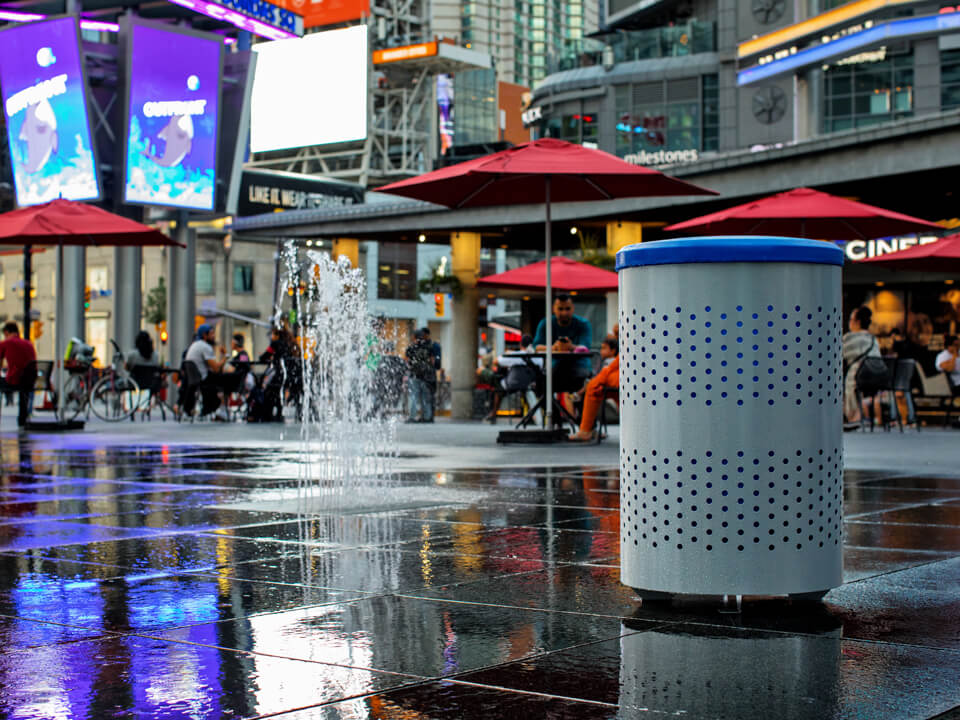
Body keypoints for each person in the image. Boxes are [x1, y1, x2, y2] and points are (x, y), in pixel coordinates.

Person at [533, 293, 593, 393]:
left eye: (567, 309)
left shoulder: (583, 324)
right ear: (554, 309)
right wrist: (553, 347)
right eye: (560, 309)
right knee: (541, 384)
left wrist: (571, 347)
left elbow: (585, 347)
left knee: (580, 381)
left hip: (579, 367)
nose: (564, 313)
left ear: (573, 308)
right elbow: (536, 346)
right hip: (555, 367)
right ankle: (554, 408)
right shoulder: (545, 323)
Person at [569, 335, 619, 442]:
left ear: (613, 350)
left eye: (604, 348)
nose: (601, 351)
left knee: (593, 386)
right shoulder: (604, 361)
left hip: (619, 378)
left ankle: (586, 429)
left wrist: (599, 380)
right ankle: (587, 429)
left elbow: (608, 370)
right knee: (594, 387)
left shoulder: (611, 361)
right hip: (615, 380)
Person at [842, 306, 881, 426]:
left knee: (847, 380)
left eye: (850, 319)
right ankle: (864, 417)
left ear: (857, 322)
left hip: (858, 377)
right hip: (877, 377)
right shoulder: (873, 339)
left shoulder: (849, 338)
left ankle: (854, 417)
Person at [184, 323, 230, 420]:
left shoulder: (195, 345)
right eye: (212, 334)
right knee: (227, 380)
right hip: (203, 378)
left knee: (221, 379)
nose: (214, 336)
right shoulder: (205, 347)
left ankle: (213, 409)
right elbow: (216, 369)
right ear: (205, 335)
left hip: (195, 378)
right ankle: (222, 410)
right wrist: (225, 356)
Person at [0, 321, 37, 427]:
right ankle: (22, 419)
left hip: (15, 380)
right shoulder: (28, 343)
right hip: (29, 381)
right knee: (23, 388)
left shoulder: (7, 343)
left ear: (6, 332)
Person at [405, 328, 436, 423]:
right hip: (426, 375)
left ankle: (412, 417)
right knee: (425, 397)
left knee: (413, 396)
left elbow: (406, 361)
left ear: (414, 336)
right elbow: (432, 361)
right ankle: (426, 417)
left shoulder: (411, 347)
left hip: (414, 374)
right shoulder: (429, 347)